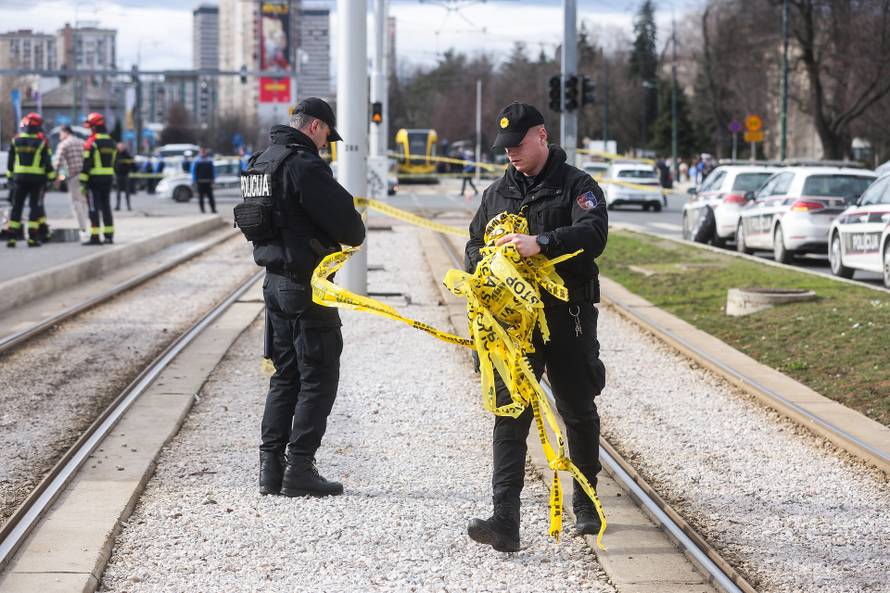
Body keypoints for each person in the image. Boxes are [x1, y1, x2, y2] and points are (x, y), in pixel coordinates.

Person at [464, 102, 608, 552]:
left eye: (517, 144)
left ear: (542, 136)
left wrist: (540, 243)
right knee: (510, 414)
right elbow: (471, 244)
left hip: (566, 318)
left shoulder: (577, 186)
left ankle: (585, 504)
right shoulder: (496, 193)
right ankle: (504, 519)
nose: (510, 153)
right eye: (504, 147)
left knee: (577, 409)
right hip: (514, 326)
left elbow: (595, 234)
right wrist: (487, 264)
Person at [241, 97, 364, 498]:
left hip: (274, 284)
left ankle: (270, 468)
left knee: (286, 374)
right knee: (320, 374)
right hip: (308, 284)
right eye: (327, 135)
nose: (327, 144)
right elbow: (350, 227)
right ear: (314, 127)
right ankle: (300, 467)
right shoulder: (303, 165)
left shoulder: (261, 162)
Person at [2, 113, 56, 248]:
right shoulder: (42, 143)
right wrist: (52, 177)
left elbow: (10, 162)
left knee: (17, 206)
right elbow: (47, 163)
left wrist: (10, 176)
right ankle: (32, 238)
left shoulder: (16, 141)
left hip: (19, 179)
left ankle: (12, 238)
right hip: (37, 180)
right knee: (34, 207)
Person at [80, 112, 117, 245]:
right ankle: (109, 235)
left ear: (94, 127)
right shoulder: (111, 142)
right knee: (106, 206)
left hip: (94, 180)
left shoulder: (91, 142)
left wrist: (82, 182)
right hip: (108, 178)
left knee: (93, 207)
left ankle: (95, 236)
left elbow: (87, 163)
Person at [53, 124, 89, 240]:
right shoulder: (82, 142)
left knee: (76, 202)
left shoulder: (64, 144)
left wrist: (56, 178)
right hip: (84, 176)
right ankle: (87, 224)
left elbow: (57, 162)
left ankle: (82, 228)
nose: (60, 136)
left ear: (65, 132)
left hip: (73, 176)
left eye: (60, 133)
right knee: (84, 201)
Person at [190, 147, 216, 213]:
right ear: (199, 152)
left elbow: (213, 170)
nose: (203, 153)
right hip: (200, 181)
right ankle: (202, 210)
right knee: (201, 197)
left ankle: (213, 209)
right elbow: (193, 171)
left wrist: (213, 179)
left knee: (211, 197)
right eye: (201, 152)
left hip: (208, 181)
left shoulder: (209, 160)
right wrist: (194, 180)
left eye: (203, 152)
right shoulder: (196, 160)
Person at [114, 142, 134, 211]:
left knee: (127, 192)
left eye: (121, 147)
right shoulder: (116, 154)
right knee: (118, 192)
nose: (120, 148)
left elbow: (132, 163)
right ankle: (117, 206)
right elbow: (114, 163)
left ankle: (128, 206)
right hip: (118, 175)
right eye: (119, 147)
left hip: (125, 175)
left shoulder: (127, 154)